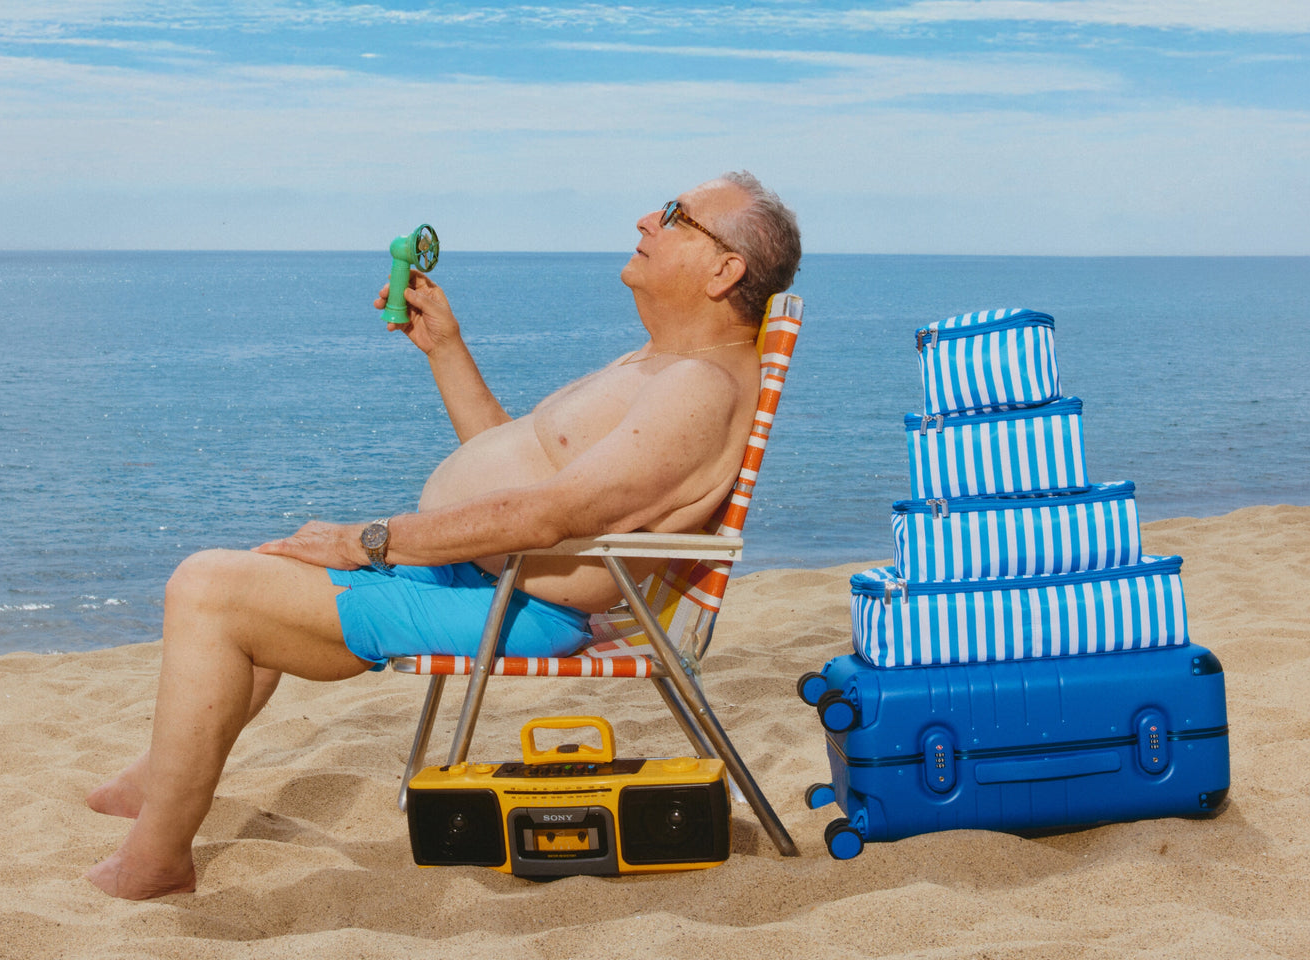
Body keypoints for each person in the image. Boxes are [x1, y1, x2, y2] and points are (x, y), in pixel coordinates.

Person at [84, 171, 802, 899]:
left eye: (677, 215)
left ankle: (158, 861)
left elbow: (549, 516)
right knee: (266, 569)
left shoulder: (698, 388)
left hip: (516, 608)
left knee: (206, 586)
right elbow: (517, 460)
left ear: (724, 270)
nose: (648, 218)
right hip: (488, 578)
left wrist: (367, 541)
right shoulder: (657, 364)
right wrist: (445, 349)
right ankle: (160, 777)